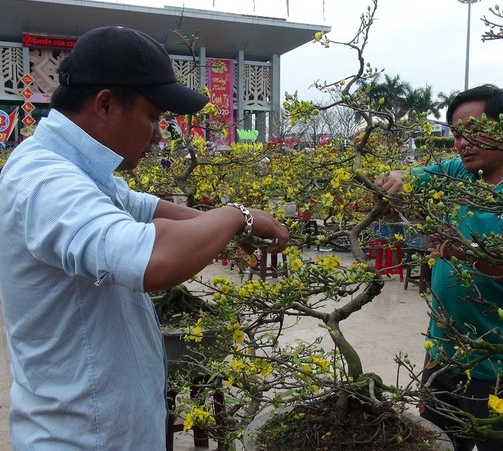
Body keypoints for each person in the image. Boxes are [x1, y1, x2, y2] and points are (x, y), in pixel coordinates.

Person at [0, 26, 288, 450]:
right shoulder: (44, 181)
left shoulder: (81, 168)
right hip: (80, 439)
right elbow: (155, 260)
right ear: (106, 104)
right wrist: (235, 215)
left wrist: (238, 227)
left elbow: (144, 207)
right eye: (153, 117)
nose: (158, 136)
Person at [377, 84, 503, 451]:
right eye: (456, 133)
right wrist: (399, 176)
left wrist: (468, 253)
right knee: (435, 442)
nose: (463, 142)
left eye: (474, 130)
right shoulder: (458, 173)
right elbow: (411, 176)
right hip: (443, 354)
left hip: (501, 364)